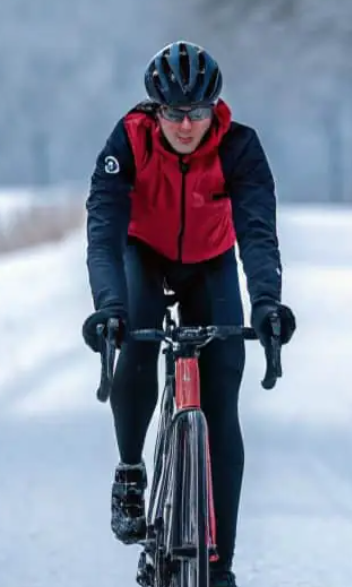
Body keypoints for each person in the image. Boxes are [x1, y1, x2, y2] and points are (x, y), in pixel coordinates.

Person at [80, 40, 296, 587]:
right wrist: (109, 307)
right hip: (143, 255)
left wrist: (267, 300)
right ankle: (131, 470)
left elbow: (258, 235)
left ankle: (219, 564)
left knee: (222, 404)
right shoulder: (128, 140)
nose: (184, 125)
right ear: (156, 109)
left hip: (211, 261)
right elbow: (104, 231)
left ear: (214, 110)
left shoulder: (240, 148)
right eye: (174, 113)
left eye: (197, 113)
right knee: (137, 344)